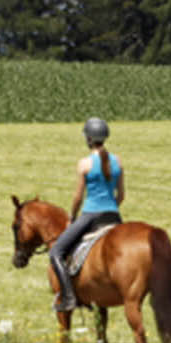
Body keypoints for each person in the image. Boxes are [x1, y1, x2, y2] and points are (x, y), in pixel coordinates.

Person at [49, 116, 125, 311]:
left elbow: (77, 198)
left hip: (91, 215)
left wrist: (72, 216)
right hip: (114, 216)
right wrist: (111, 207)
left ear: (89, 139)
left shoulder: (84, 164)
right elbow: (121, 195)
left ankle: (68, 297)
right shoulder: (118, 161)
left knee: (56, 251)